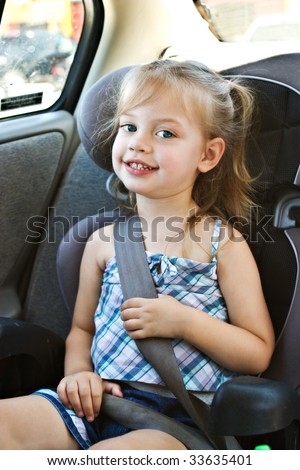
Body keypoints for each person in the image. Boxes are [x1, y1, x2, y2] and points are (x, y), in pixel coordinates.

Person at [0, 59, 275, 450]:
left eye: (165, 132)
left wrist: (183, 322)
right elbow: (82, 330)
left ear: (208, 155)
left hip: (178, 423)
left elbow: (257, 352)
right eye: (129, 126)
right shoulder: (101, 242)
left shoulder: (223, 244)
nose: (139, 142)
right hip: (97, 405)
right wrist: (79, 374)